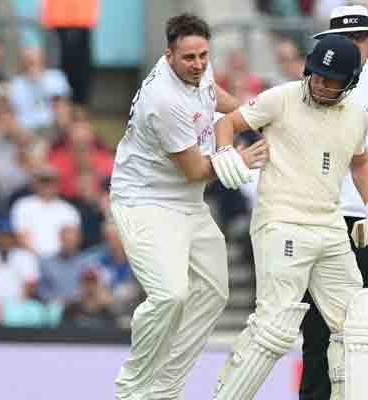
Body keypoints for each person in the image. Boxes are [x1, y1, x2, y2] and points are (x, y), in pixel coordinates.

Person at [211, 34, 368, 400]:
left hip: (328, 225)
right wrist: (224, 153)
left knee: (358, 328)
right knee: (275, 327)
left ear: (350, 83)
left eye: (331, 80)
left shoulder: (356, 116)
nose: (320, 84)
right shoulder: (281, 98)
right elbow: (227, 123)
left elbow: (360, 162)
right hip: (281, 221)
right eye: (316, 75)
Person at [108, 14, 266, 400]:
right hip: (144, 201)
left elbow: (217, 99)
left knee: (213, 291)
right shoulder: (164, 101)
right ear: (168, 55)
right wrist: (242, 161)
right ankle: (133, 388)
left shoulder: (199, 72)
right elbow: (196, 170)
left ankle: (166, 386)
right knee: (170, 295)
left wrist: (257, 119)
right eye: (188, 58)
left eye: (202, 56)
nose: (197, 65)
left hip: (186, 202)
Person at [300, 6, 368, 400]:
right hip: (321, 211)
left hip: (367, 215)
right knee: (315, 322)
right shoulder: (310, 87)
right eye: (345, 40)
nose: (354, 46)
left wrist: (324, 140)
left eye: (359, 38)